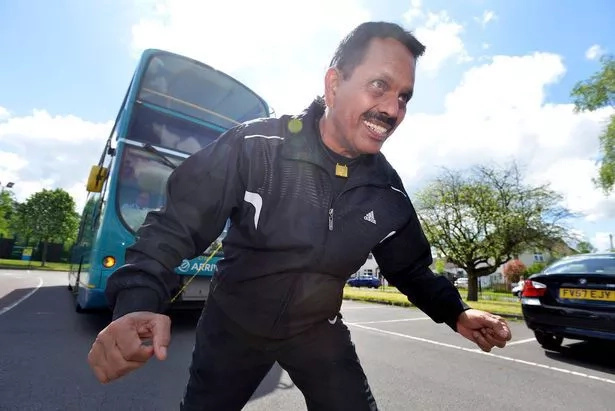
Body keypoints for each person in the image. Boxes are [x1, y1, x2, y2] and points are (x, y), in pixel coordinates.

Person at [87, 21, 512, 410]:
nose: (392, 109)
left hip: (316, 330)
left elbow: (413, 270)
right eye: (379, 85)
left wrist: (457, 312)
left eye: (404, 97)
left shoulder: (388, 194)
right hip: (233, 325)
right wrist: (137, 303)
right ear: (333, 84)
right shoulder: (255, 146)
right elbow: (176, 224)